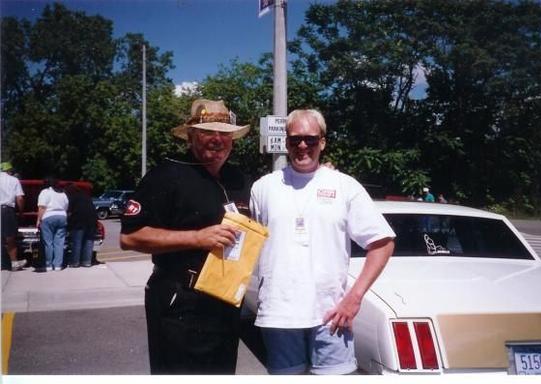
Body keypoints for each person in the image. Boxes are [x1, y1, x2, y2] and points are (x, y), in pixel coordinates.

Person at [249, 109, 396, 375]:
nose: (302, 146)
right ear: (285, 142)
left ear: (323, 142)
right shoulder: (263, 188)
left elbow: (382, 243)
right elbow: (254, 246)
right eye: (295, 139)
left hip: (331, 316)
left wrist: (354, 298)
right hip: (278, 314)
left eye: (311, 139)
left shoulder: (345, 186)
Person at [120, 99, 251, 374]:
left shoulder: (238, 179)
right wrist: (198, 238)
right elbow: (130, 237)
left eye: (224, 132)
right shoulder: (167, 175)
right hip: (180, 302)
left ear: (232, 139)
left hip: (225, 303)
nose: (217, 139)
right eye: (207, 131)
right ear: (191, 136)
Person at [37, 177, 69, 271]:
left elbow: (42, 207)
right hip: (62, 217)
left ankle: (49, 265)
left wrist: (39, 220)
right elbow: (66, 206)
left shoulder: (45, 192)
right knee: (59, 243)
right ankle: (58, 265)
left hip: (48, 217)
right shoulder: (62, 193)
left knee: (48, 243)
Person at [1, 162, 27, 271]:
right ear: (9, 170)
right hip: (7, 210)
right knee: (10, 238)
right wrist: (21, 212)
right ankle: (14, 263)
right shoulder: (13, 180)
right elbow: (20, 198)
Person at [64, 184, 98, 268]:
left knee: (77, 241)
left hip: (79, 219)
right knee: (89, 240)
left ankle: (75, 262)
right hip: (92, 219)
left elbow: (69, 211)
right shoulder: (85, 195)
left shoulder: (72, 197)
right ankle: (87, 262)